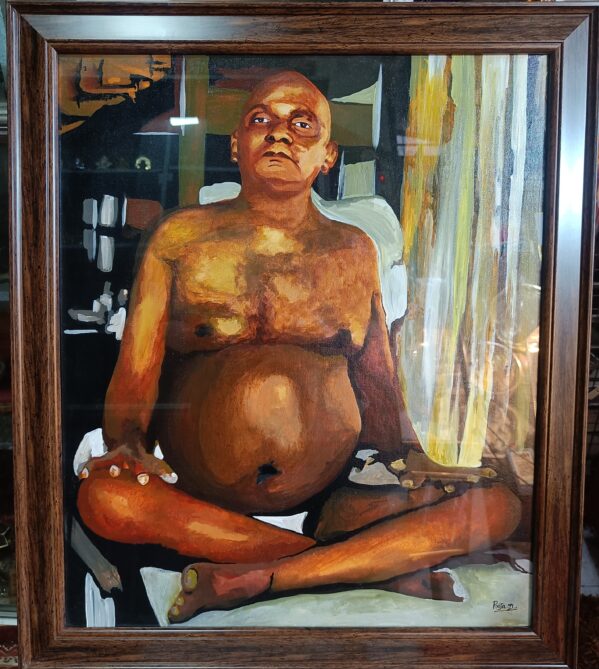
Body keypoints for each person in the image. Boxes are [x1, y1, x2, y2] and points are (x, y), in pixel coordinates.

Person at [76, 71, 521, 623]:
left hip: (331, 503)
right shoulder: (178, 238)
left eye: (302, 124)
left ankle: (259, 576)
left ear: (327, 156)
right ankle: (361, 567)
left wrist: (411, 463)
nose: (280, 134)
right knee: (105, 499)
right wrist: (126, 445)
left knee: (496, 505)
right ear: (235, 144)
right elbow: (135, 377)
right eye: (260, 119)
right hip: (203, 506)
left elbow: (379, 397)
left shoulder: (354, 251)